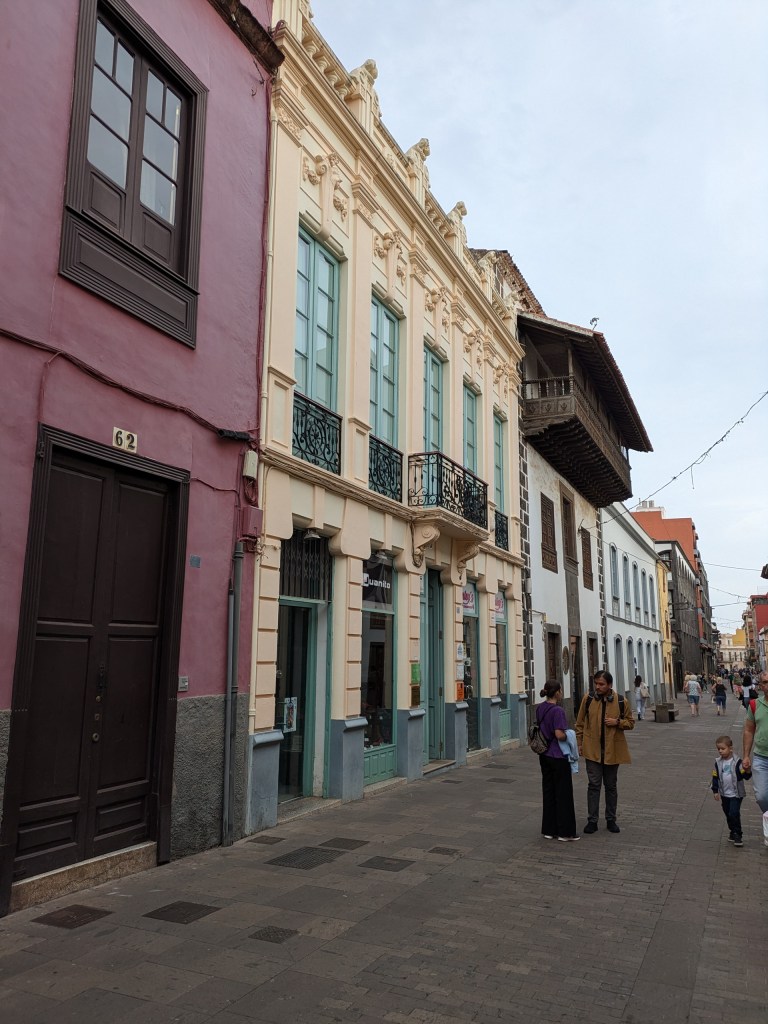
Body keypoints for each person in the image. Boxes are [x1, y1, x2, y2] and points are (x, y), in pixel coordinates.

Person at [575, 669, 634, 834]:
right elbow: (579, 723)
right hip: (592, 750)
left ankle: (611, 819)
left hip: (612, 750)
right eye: (596, 683)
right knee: (593, 786)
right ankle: (592, 820)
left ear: (609, 685)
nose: (598, 687)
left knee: (611, 786)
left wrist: (617, 722)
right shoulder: (588, 700)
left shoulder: (621, 701)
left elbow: (630, 722)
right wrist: (580, 743)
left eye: (601, 684)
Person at [535, 681, 579, 842]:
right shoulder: (558, 711)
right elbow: (559, 734)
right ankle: (565, 832)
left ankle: (549, 829)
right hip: (558, 755)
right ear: (558, 692)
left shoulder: (540, 708)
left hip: (544, 754)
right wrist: (571, 735)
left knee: (549, 791)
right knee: (563, 794)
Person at [742, 671, 768, 848]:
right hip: (761, 757)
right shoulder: (754, 704)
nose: (767, 685)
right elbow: (749, 730)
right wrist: (745, 755)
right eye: (765, 682)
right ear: (760, 685)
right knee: (761, 796)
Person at [711, 734, 751, 847]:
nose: (720, 751)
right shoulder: (718, 762)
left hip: (736, 794)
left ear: (730, 748)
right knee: (728, 813)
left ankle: (738, 834)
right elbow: (715, 777)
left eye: (723, 749)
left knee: (734, 813)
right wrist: (715, 791)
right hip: (724, 794)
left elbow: (746, 777)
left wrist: (747, 770)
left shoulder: (737, 762)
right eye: (718, 749)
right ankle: (732, 831)